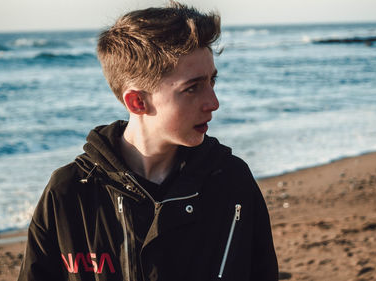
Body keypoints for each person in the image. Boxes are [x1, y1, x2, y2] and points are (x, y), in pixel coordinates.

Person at [18, 2, 279, 281]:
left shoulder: (232, 181)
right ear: (138, 101)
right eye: (192, 88)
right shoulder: (69, 193)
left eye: (212, 81)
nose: (213, 103)